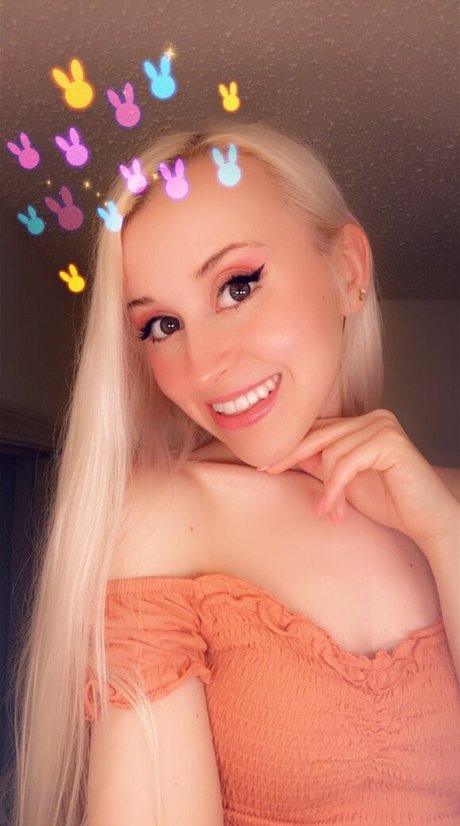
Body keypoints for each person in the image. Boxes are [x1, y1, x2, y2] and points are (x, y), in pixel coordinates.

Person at [10, 122, 460, 826]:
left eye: (237, 286)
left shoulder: (446, 504)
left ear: (348, 271)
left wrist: (444, 532)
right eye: (161, 326)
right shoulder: (162, 520)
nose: (204, 367)